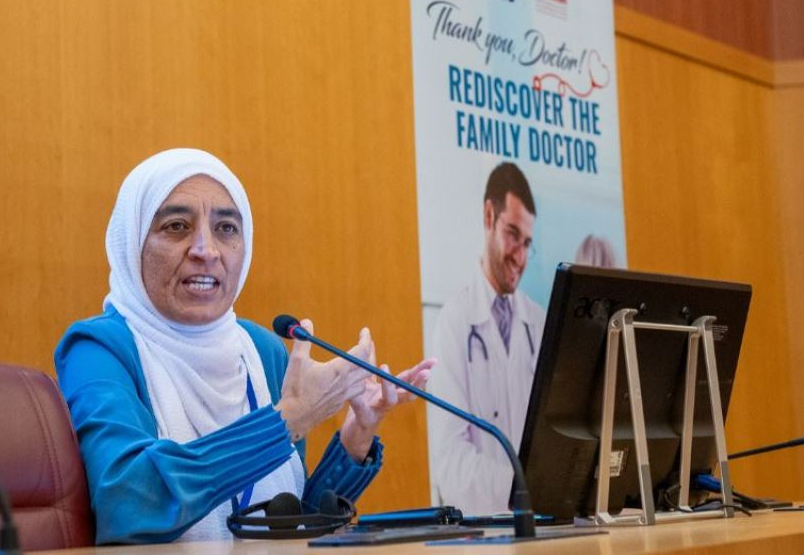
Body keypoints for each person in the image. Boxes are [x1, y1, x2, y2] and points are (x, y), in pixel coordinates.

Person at [55, 148, 434, 544]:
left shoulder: (263, 350)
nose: (206, 250)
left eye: (226, 229)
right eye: (177, 226)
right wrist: (287, 421)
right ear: (132, 244)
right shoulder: (99, 349)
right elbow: (128, 502)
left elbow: (286, 524)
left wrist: (356, 437)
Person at [426, 161, 545, 514]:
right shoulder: (454, 321)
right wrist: (520, 487)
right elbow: (450, 459)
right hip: (482, 533)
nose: (520, 257)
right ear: (489, 216)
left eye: (527, 243)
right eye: (512, 235)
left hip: (545, 529)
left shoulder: (538, 323)